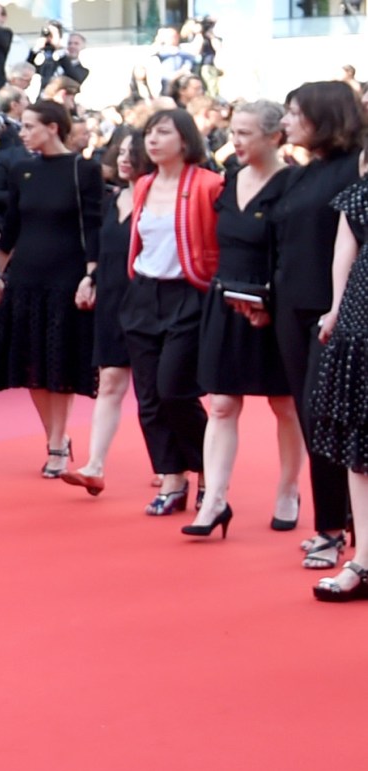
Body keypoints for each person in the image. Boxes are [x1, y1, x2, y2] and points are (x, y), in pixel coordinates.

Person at [188, 102, 301, 539]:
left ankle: (289, 489)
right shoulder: (229, 180)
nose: (234, 140)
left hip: (274, 304)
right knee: (220, 403)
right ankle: (215, 499)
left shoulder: (292, 183)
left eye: (245, 133)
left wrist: (270, 303)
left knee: (284, 404)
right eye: (233, 132)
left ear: (274, 137)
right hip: (226, 298)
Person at [271, 82, 365, 571]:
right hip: (291, 308)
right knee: (314, 422)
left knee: (328, 418)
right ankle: (335, 524)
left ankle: (335, 529)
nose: (287, 122)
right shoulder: (301, 174)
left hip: (340, 314)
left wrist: (340, 306)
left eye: (294, 112)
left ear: (323, 115)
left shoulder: (357, 168)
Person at [0, 99, 101, 479]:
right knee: (32, 365)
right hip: (26, 278)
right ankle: (55, 437)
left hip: (66, 277)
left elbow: (94, 225)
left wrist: (91, 275)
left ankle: (58, 441)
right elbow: (13, 226)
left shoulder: (83, 169)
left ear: (53, 127)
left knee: (60, 363)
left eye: (30, 126)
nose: (22, 133)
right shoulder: (22, 170)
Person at [121, 108, 220, 517]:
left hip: (189, 294)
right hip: (144, 293)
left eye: (163, 132)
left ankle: (209, 473)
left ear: (185, 139)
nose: (153, 140)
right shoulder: (143, 184)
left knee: (174, 388)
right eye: (149, 133)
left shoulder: (208, 184)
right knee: (148, 397)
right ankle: (171, 476)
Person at [63, 128, 146, 497]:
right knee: (110, 380)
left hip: (150, 300)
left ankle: (172, 464)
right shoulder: (114, 200)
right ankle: (94, 464)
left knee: (154, 389)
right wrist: (90, 279)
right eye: (122, 151)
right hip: (112, 298)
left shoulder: (159, 200)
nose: (125, 158)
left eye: (134, 152)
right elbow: (101, 250)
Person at [308, 163, 368, 601]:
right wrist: (334, 309)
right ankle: (363, 561)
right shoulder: (360, 193)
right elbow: (343, 252)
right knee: (359, 446)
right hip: (361, 319)